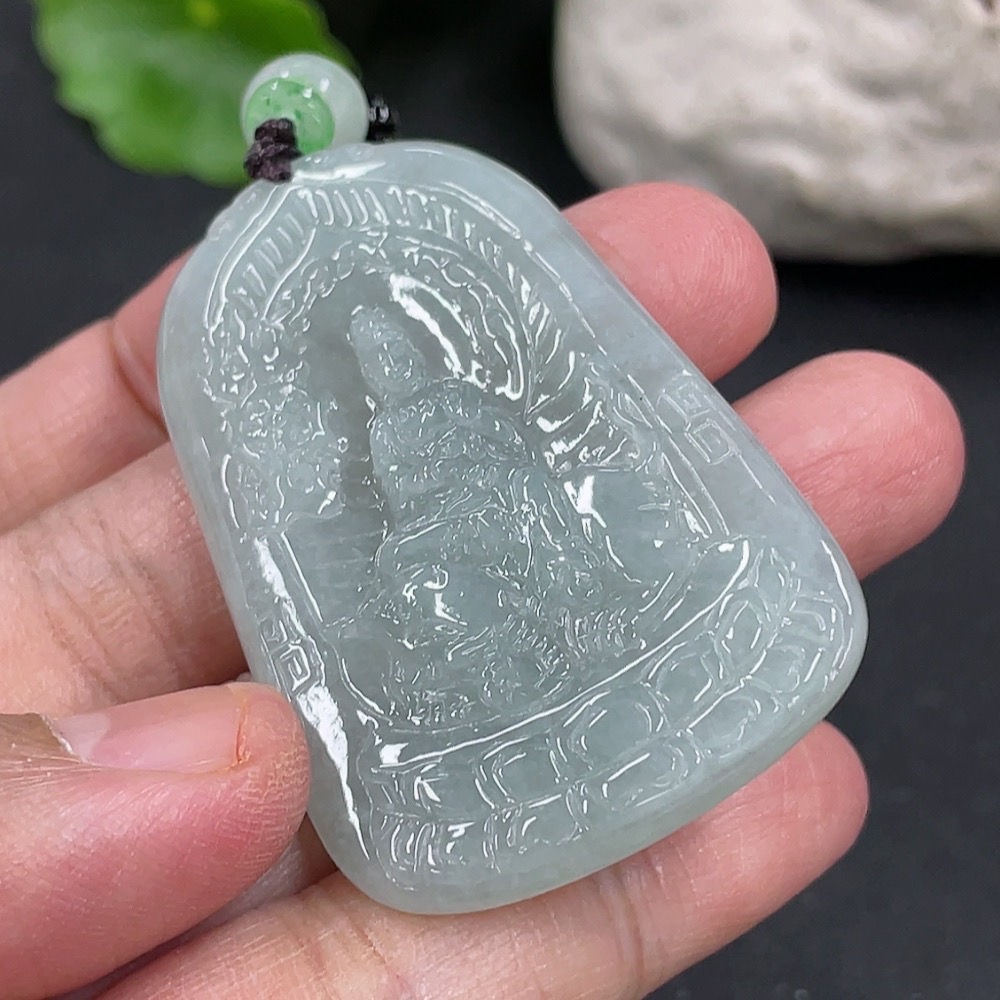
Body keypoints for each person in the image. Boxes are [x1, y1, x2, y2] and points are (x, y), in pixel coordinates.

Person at [0, 184, 964, 1000]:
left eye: (393, 349)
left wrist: (481, 501)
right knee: (414, 580)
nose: (385, 367)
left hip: (508, 518)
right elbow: (403, 499)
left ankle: (551, 644)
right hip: (442, 531)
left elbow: (516, 469)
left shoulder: (462, 400)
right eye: (371, 358)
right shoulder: (389, 427)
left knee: (479, 564)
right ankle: (484, 677)